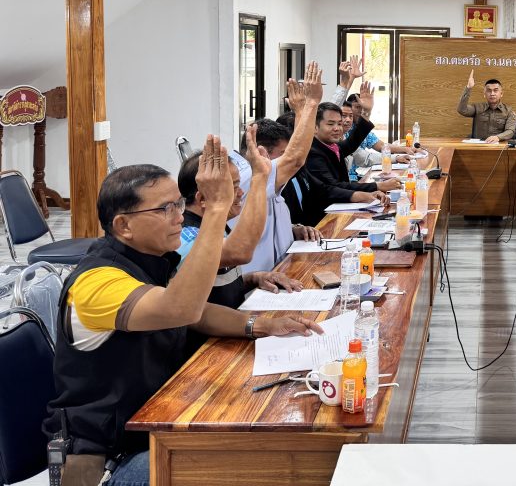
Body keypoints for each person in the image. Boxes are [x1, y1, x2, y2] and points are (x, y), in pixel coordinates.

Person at [45, 139, 323, 486]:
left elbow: (198, 312)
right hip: (108, 458)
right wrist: (217, 207)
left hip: (153, 424)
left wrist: (261, 325)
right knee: (252, 464)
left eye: (178, 204)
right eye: (165, 209)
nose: (179, 216)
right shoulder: (96, 282)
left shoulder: (152, 260)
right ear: (124, 225)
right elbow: (182, 309)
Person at [176, 124, 300, 310]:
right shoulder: (186, 237)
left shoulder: (216, 225)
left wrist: (254, 278)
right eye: (233, 187)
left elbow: (217, 283)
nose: (241, 193)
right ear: (202, 198)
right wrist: (259, 177)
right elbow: (239, 252)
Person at [231, 63, 329, 274]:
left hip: (284, 271)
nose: (286, 160)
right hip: (258, 285)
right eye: (282, 154)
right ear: (261, 152)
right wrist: (311, 103)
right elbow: (295, 159)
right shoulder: (248, 175)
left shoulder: (266, 180)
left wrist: (292, 229)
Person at [304, 86, 396, 217]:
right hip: (323, 216)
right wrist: (376, 186)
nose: (337, 128)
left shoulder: (331, 146)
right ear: (315, 127)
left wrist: (366, 112)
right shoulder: (313, 152)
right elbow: (332, 186)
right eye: (330, 124)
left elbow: (352, 142)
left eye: (339, 123)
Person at [455, 70, 516, 143]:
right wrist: (468, 88)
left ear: (501, 94)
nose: (492, 94)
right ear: (484, 94)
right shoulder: (477, 108)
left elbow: (510, 131)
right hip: (479, 146)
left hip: (499, 146)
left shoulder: (508, 111)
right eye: (489, 90)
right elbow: (461, 110)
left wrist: (498, 137)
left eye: (495, 90)